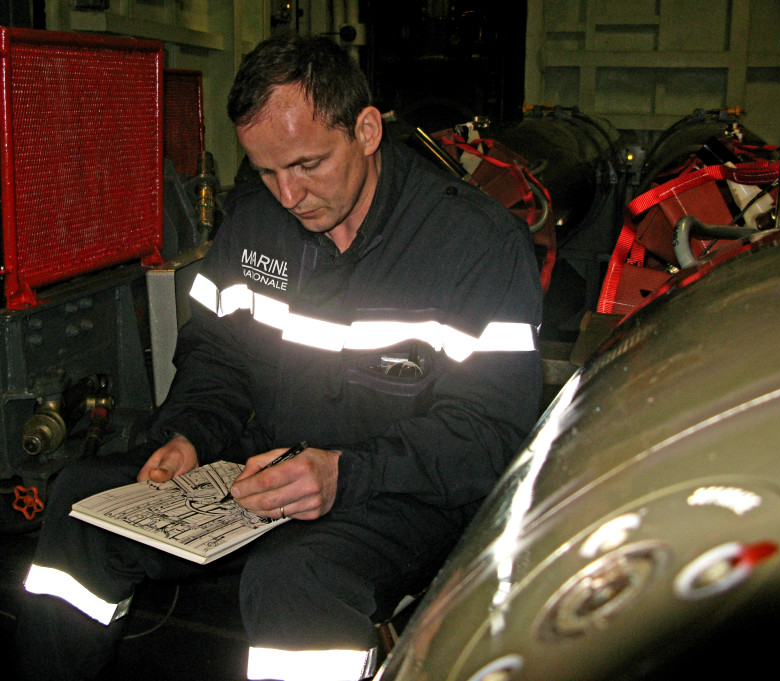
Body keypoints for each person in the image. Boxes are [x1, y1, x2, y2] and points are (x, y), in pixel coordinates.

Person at [15, 34, 542, 681]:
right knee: (80, 501)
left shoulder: (476, 245)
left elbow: (489, 433)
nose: (288, 195)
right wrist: (187, 432)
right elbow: (219, 354)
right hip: (257, 463)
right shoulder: (256, 220)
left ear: (368, 130)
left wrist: (345, 473)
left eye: (308, 165)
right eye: (267, 172)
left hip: (401, 491)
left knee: (296, 579)